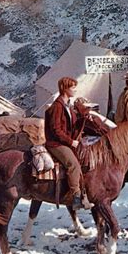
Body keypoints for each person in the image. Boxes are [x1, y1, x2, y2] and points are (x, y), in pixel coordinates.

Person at [45, 77, 93, 210]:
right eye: (72, 87)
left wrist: (84, 118)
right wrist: (70, 141)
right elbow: (56, 129)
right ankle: (76, 197)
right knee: (73, 164)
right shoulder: (57, 106)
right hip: (55, 143)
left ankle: (84, 193)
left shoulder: (68, 106)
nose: (75, 90)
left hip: (64, 142)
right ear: (64, 89)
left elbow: (72, 124)